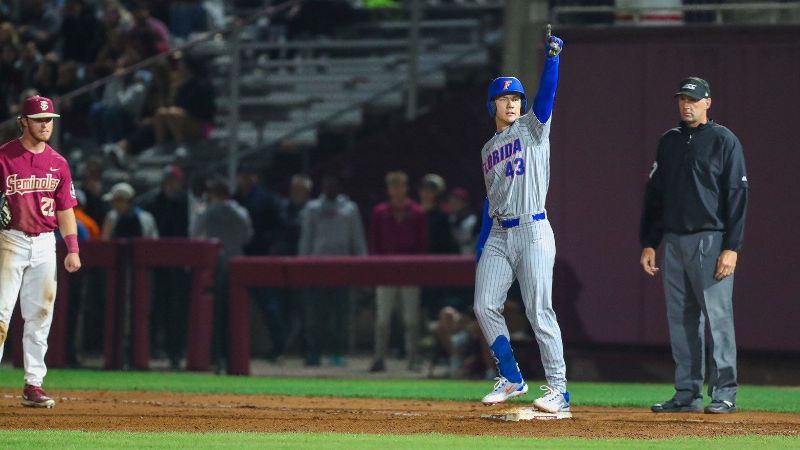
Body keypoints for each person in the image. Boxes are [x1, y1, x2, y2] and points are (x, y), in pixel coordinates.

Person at [473, 28, 570, 414]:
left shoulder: (533, 128)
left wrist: (552, 59)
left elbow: (546, 97)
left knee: (538, 310)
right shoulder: (487, 149)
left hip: (532, 229)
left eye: (516, 97)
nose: (512, 103)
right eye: (505, 97)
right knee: (483, 306)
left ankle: (559, 389)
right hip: (499, 231)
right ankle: (512, 376)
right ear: (492, 104)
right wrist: (481, 245)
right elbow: (489, 200)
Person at [640, 77, 748, 415]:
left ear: (707, 103)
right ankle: (687, 393)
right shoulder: (668, 142)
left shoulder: (724, 140)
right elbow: (655, 197)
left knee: (718, 319)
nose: (687, 104)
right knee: (681, 320)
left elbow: (737, 196)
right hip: (672, 241)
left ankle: (725, 392)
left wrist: (732, 247)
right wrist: (649, 242)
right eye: (682, 99)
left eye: (693, 99)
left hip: (710, 240)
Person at [0, 95, 81, 408]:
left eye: (49, 120)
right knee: (1, 314)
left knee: (40, 315)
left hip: (46, 241)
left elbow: (65, 209)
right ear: (24, 121)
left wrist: (72, 248)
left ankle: (33, 384)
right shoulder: (4, 157)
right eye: (39, 119)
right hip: (10, 239)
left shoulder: (58, 162)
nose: (45, 125)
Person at [298, 175, 367, 367]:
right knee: (315, 314)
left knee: (340, 314)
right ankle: (314, 352)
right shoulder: (312, 208)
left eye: (334, 184)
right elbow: (306, 238)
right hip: (316, 267)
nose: (331, 187)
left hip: (342, 268)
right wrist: (302, 265)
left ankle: (337, 352)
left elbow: (357, 238)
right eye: (327, 184)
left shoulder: (350, 209)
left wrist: (362, 264)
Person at [368, 170, 428, 372]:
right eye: (393, 186)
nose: (396, 190)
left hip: (410, 270)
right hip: (385, 270)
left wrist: (418, 269)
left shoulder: (417, 211)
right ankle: (378, 358)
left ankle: (413, 359)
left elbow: (422, 244)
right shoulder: (380, 212)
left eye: (399, 185)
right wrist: (375, 269)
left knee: (411, 320)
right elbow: (374, 243)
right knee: (382, 319)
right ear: (388, 189)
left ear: (405, 187)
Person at [191, 175, 252, 372]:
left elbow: (194, 232)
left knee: (215, 316)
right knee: (235, 316)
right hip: (237, 268)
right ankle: (232, 358)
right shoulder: (241, 212)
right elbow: (247, 237)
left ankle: (216, 359)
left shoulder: (208, 211)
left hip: (215, 267)